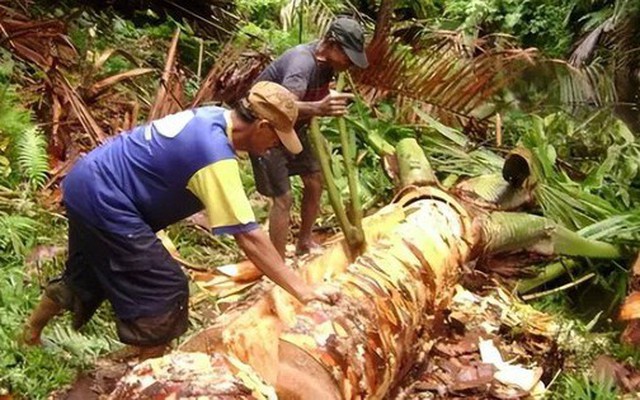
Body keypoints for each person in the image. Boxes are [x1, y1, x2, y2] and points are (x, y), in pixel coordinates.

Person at [22, 82, 337, 360]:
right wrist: (302, 289)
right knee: (165, 288)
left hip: (87, 180)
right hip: (106, 198)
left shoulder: (213, 116)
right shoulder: (214, 155)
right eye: (277, 138)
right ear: (263, 126)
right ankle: (143, 366)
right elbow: (249, 236)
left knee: (87, 270)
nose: (276, 146)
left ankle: (29, 335)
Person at [250, 16, 369, 257]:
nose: (349, 63)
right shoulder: (302, 64)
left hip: (293, 131)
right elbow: (282, 108)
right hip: (266, 132)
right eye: (347, 55)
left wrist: (327, 99)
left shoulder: (326, 65)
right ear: (332, 44)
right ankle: (278, 264)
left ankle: (304, 243)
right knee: (283, 198)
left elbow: (309, 98)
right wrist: (318, 108)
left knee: (315, 181)